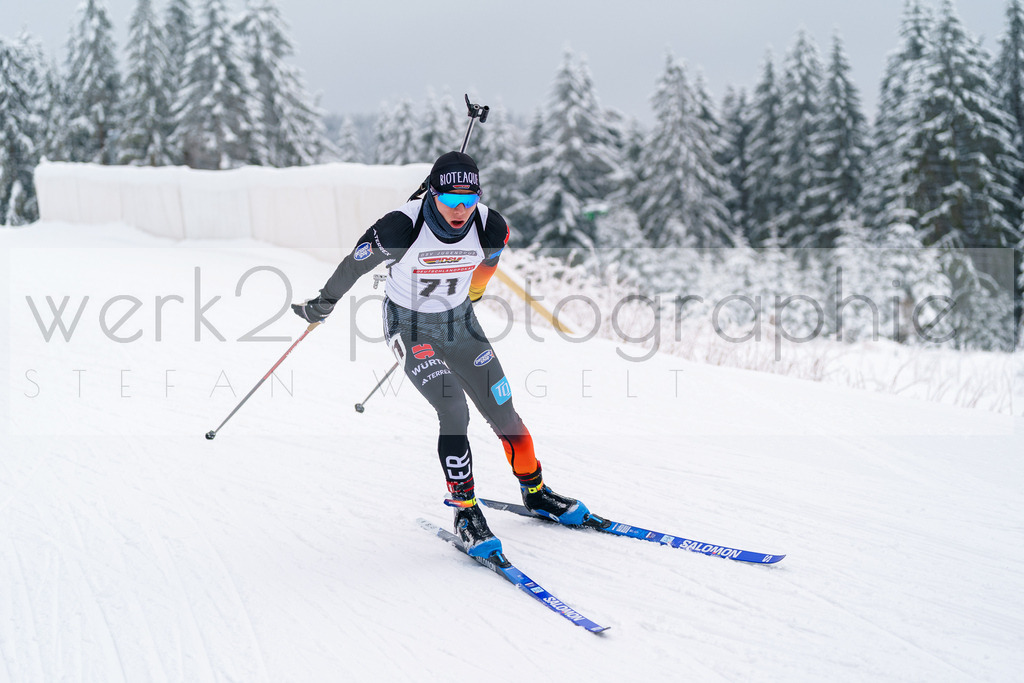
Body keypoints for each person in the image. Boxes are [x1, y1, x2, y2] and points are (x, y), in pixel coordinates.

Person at [292, 151, 589, 557]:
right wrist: (322, 304)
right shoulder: (400, 226)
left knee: (503, 407)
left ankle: (535, 492)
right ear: (432, 194)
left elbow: (490, 261)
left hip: (460, 325)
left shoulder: (490, 225)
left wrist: (475, 293)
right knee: (453, 407)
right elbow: (354, 265)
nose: (460, 211)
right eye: (451, 201)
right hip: (410, 327)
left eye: (469, 201)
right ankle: (465, 512)